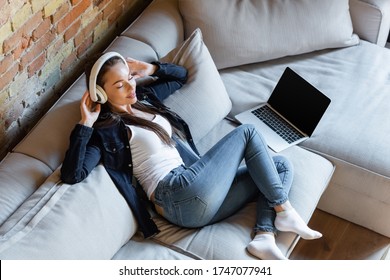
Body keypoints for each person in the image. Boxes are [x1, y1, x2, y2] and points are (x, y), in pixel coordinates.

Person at [61, 52, 322, 260]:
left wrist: (150, 69)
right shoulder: (105, 131)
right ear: (101, 94)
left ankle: (264, 236)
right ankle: (283, 209)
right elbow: (73, 174)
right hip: (175, 195)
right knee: (248, 132)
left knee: (281, 165)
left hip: (197, 202)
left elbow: (180, 77)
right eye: (120, 85)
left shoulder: (145, 98)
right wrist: (85, 124)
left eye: (130, 77)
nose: (130, 86)